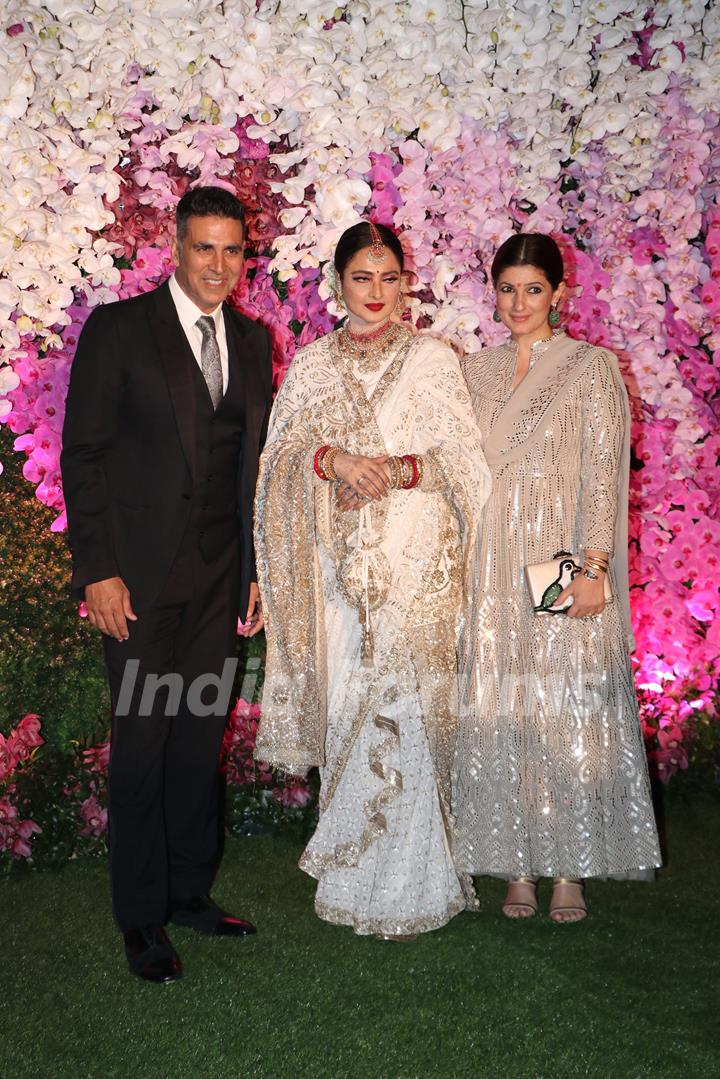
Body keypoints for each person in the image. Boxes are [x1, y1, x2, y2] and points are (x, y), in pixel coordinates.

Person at [254, 221, 491, 939]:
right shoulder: (312, 367)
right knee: (350, 702)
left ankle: (414, 884)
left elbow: (466, 464)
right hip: (339, 569)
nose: (378, 292)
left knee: (410, 712)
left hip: (417, 562)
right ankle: (354, 877)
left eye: (390, 278)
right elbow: (278, 461)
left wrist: (395, 471)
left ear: (405, 282)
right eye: (363, 277)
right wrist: (331, 462)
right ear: (337, 283)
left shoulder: (432, 359)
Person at [61, 186, 272, 981]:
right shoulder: (119, 330)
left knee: (196, 740)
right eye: (204, 248)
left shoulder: (252, 341)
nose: (219, 265)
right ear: (176, 249)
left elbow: (253, 469)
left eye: (233, 250)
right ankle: (141, 915)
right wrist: (99, 571)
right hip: (140, 586)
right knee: (144, 743)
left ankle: (189, 892)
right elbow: (83, 456)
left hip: (221, 583)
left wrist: (257, 574)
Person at [453, 232, 661, 922]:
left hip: (557, 553)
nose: (519, 302)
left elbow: (603, 470)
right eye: (508, 288)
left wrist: (594, 567)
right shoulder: (473, 370)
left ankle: (568, 865)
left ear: (559, 293)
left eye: (533, 289)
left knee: (565, 703)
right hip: (489, 556)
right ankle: (515, 861)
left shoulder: (588, 367)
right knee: (505, 704)